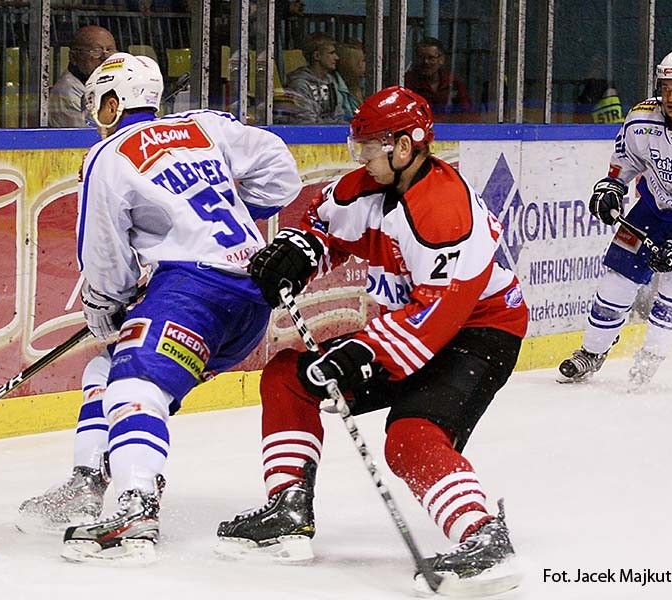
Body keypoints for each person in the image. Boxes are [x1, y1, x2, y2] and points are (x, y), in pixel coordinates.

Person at [213, 86, 527, 595]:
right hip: (414, 325)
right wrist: (299, 251)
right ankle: (288, 509)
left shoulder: (445, 211)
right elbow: (322, 227)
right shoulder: (364, 188)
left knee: (410, 437)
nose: (360, 157)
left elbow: (441, 312)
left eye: (370, 146)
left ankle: (483, 535)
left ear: (405, 146)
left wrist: (366, 352)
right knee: (289, 377)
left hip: (480, 332)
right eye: (357, 145)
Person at [18, 53, 302, 564]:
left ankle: (134, 507)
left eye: (98, 105)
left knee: (135, 387)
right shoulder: (204, 126)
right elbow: (282, 175)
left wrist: (105, 304)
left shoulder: (108, 155)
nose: (96, 118)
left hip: (195, 292)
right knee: (107, 370)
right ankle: (88, 480)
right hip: (250, 296)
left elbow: (103, 253)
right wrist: (215, 216)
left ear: (113, 103)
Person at [558, 50, 672, 387]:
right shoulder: (642, 118)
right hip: (651, 210)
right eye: (666, 88)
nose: (671, 97)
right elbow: (626, 161)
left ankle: (649, 360)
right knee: (616, 281)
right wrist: (612, 186)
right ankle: (591, 352)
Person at [48, 25, 117, 127]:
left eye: (110, 50)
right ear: (74, 57)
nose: (105, 57)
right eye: (96, 51)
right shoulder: (66, 92)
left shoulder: (105, 83)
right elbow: (85, 134)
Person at [284, 33, 348, 124]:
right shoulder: (299, 84)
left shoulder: (331, 81)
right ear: (317, 56)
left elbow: (338, 115)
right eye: (331, 53)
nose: (336, 58)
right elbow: (306, 121)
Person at [404, 37, 472, 118]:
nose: (426, 62)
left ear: (441, 59)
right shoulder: (407, 82)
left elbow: (466, 112)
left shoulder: (453, 82)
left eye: (431, 58)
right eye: (421, 57)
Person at [335, 41, 366, 119]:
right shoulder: (337, 88)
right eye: (363, 60)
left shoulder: (364, 84)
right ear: (352, 64)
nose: (366, 64)